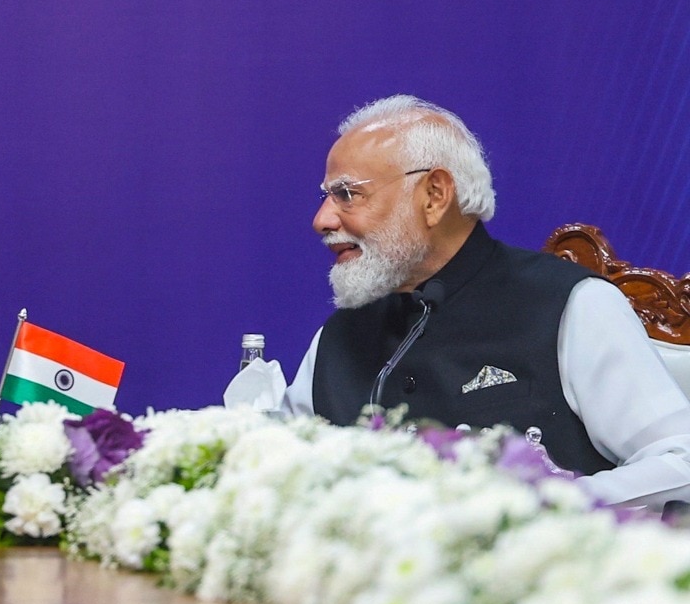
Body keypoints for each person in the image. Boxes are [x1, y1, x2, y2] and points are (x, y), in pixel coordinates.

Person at [274, 94, 690, 510]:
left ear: (435, 195)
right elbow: (278, 464)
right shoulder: (341, 332)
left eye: (347, 194)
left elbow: (679, 459)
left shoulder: (569, 306)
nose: (322, 220)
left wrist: (545, 509)